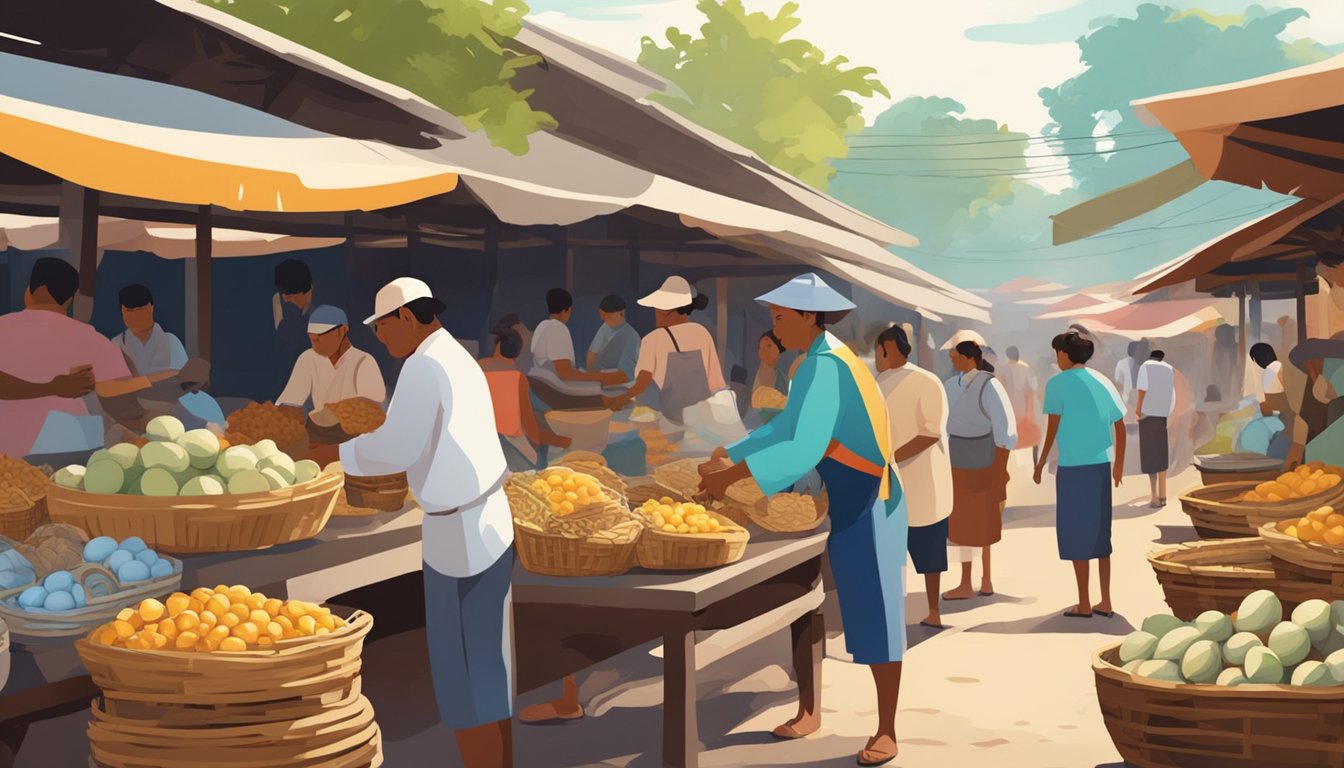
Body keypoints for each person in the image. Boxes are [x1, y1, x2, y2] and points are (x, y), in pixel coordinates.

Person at [698, 273, 907, 767]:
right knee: (808, 606)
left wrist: (731, 479)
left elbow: (804, 447)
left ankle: (888, 730)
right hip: (840, 494)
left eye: (781, 318)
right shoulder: (809, 362)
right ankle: (810, 711)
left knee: (876, 616)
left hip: (870, 497)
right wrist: (735, 448)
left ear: (809, 317)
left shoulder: (830, 365)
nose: (774, 327)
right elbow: (787, 425)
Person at [339, 278, 514, 768]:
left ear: (407, 317)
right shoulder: (455, 355)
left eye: (383, 326)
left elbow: (397, 447)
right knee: (487, 674)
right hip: (483, 524)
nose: (379, 336)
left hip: (458, 536)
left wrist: (338, 454)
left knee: (465, 681)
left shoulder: (423, 365)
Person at [0, 258, 168, 459]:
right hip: (68, 455)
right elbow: (124, 406)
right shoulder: (93, 340)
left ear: (34, 290)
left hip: (7, 455)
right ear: (70, 298)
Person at [1034, 331, 1126, 618]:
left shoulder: (1057, 384)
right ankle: (1106, 601)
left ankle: (1084, 603)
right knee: (1101, 534)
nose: (1056, 358)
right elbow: (1120, 425)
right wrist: (1119, 465)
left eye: (1057, 353)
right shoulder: (1103, 381)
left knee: (1076, 534)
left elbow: (1052, 428)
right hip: (1101, 467)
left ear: (1064, 354)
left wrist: (1039, 463)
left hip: (1073, 468)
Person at [876, 324, 952, 629]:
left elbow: (930, 433)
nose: (877, 358)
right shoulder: (879, 383)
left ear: (889, 348)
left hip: (924, 479)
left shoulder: (927, 381)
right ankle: (893, 609)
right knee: (891, 550)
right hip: (889, 480)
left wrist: (892, 457)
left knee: (930, 550)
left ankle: (934, 610)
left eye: (878, 351)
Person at [942, 330, 1016, 601]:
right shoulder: (950, 386)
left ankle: (985, 578)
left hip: (984, 457)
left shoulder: (990, 384)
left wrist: (1002, 467)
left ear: (968, 358)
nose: (952, 360)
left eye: (955, 356)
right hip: (957, 458)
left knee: (984, 519)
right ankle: (965, 580)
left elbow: (1005, 428)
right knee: (960, 522)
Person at [605, 276, 727, 426]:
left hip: (673, 420)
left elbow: (642, 383)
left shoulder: (653, 339)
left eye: (658, 308)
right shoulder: (702, 333)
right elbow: (715, 383)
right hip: (702, 420)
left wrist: (619, 400)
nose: (656, 313)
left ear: (667, 309)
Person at [114, 284, 223, 428]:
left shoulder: (170, 340)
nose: (135, 316)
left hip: (173, 409)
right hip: (134, 413)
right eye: (129, 310)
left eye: (140, 309)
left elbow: (184, 381)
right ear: (122, 311)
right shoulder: (116, 345)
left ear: (151, 308)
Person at [480, 321, 570, 472]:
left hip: (483, 437)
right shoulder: (517, 377)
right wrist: (555, 442)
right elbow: (529, 424)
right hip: (508, 443)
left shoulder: (479, 366)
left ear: (497, 346)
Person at [276, 305, 386, 413]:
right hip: (317, 428)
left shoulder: (364, 361)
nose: (315, 346)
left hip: (356, 430)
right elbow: (289, 401)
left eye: (319, 339)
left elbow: (371, 409)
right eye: (312, 340)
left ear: (342, 331)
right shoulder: (308, 358)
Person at [529, 289, 624, 408]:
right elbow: (564, 373)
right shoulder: (557, 328)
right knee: (614, 396)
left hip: (546, 388)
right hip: (556, 391)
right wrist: (601, 378)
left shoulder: (541, 327)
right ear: (566, 310)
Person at [1135, 350, 1176, 508]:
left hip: (1148, 414)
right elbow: (1172, 394)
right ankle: (1163, 495)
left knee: (1150, 456)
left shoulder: (1145, 366)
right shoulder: (1169, 368)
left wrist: (1138, 410)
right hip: (1162, 415)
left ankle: (1154, 497)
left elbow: (1142, 390)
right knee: (1161, 454)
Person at [272, 259, 317, 394]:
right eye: (282, 295)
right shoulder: (280, 302)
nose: (285, 299)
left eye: (290, 296)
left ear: (308, 291)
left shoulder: (323, 311)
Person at [998, 346, 1041, 463]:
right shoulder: (1025, 368)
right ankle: (1029, 463)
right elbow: (1030, 389)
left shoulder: (1002, 369)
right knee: (1025, 435)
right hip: (1023, 407)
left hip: (1009, 407)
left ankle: (1011, 463)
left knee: (1010, 436)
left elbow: (1001, 388)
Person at [585, 295, 640, 385]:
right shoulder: (606, 327)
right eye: (602, 317)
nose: (605, 320)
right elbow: (591, 354)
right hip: (597, 381)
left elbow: (626, 375)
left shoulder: (632, 337)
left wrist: (593, 378)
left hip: (617, 386)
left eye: (609, 317)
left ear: (621, 313)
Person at [753, 331, 788, 423]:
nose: (763, 351)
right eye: (760, 347)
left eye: (768, 346)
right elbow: (765, 401)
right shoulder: (765, 371)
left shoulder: (779, 373)